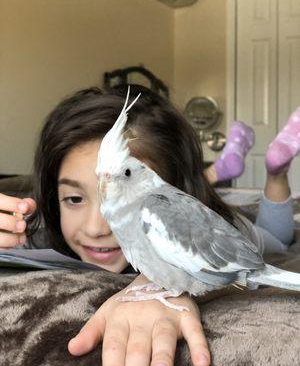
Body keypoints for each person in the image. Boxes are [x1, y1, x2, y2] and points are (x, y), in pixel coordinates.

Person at [0, 85, 297, 366]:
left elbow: (227, 260)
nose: (96, 227)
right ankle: (222, 169)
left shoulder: (187, 219)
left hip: (243, 229)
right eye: (75, 198)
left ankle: (276, 173)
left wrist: (158, 284)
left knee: (278, 235)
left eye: (125, 176)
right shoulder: (43, 232)